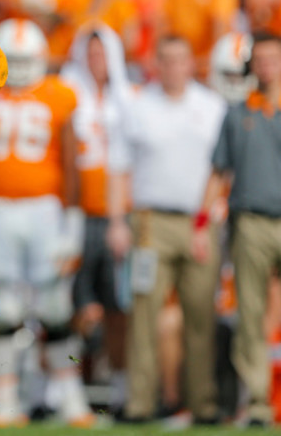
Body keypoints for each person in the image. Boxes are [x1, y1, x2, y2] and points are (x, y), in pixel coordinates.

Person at [0, 18, 92, 427]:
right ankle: (3, 398)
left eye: (27, 59)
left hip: (44, 209)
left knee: (56, 306)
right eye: (13, 59)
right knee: (2, 308)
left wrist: (72, 224)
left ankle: (69, 397)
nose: (21, 67)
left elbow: (72, 163)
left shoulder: (60, 95)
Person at [107, 35, 226, 423]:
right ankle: (141, 402)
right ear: (156, 63)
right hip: (150, 221)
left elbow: (223, 168)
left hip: (198, 220)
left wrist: (212, 212)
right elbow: (119, 167)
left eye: (180, 60)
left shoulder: (211, 107)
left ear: (192, 64)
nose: (174, 67)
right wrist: (117, 221)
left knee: (200, 314)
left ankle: (202, 402)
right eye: (167, 60)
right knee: (145, 311)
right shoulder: (139, 106)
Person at [192, 33, 281, 427]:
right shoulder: (237, 111)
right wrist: (201, 220)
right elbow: (218, 170)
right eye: (259, 59)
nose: (265, 66)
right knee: (250, 313)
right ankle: (258, 402)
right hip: (251, 221)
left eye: (272, 58)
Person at [61, 23, 133, 416]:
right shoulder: (69, 94)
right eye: (89, 54)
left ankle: (120, 386)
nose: (95, 61)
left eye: (102, 53)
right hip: (80, 212)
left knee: (119, 305)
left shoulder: (129, 97)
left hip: (118, 214)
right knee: (75, 303)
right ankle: (72, 385)